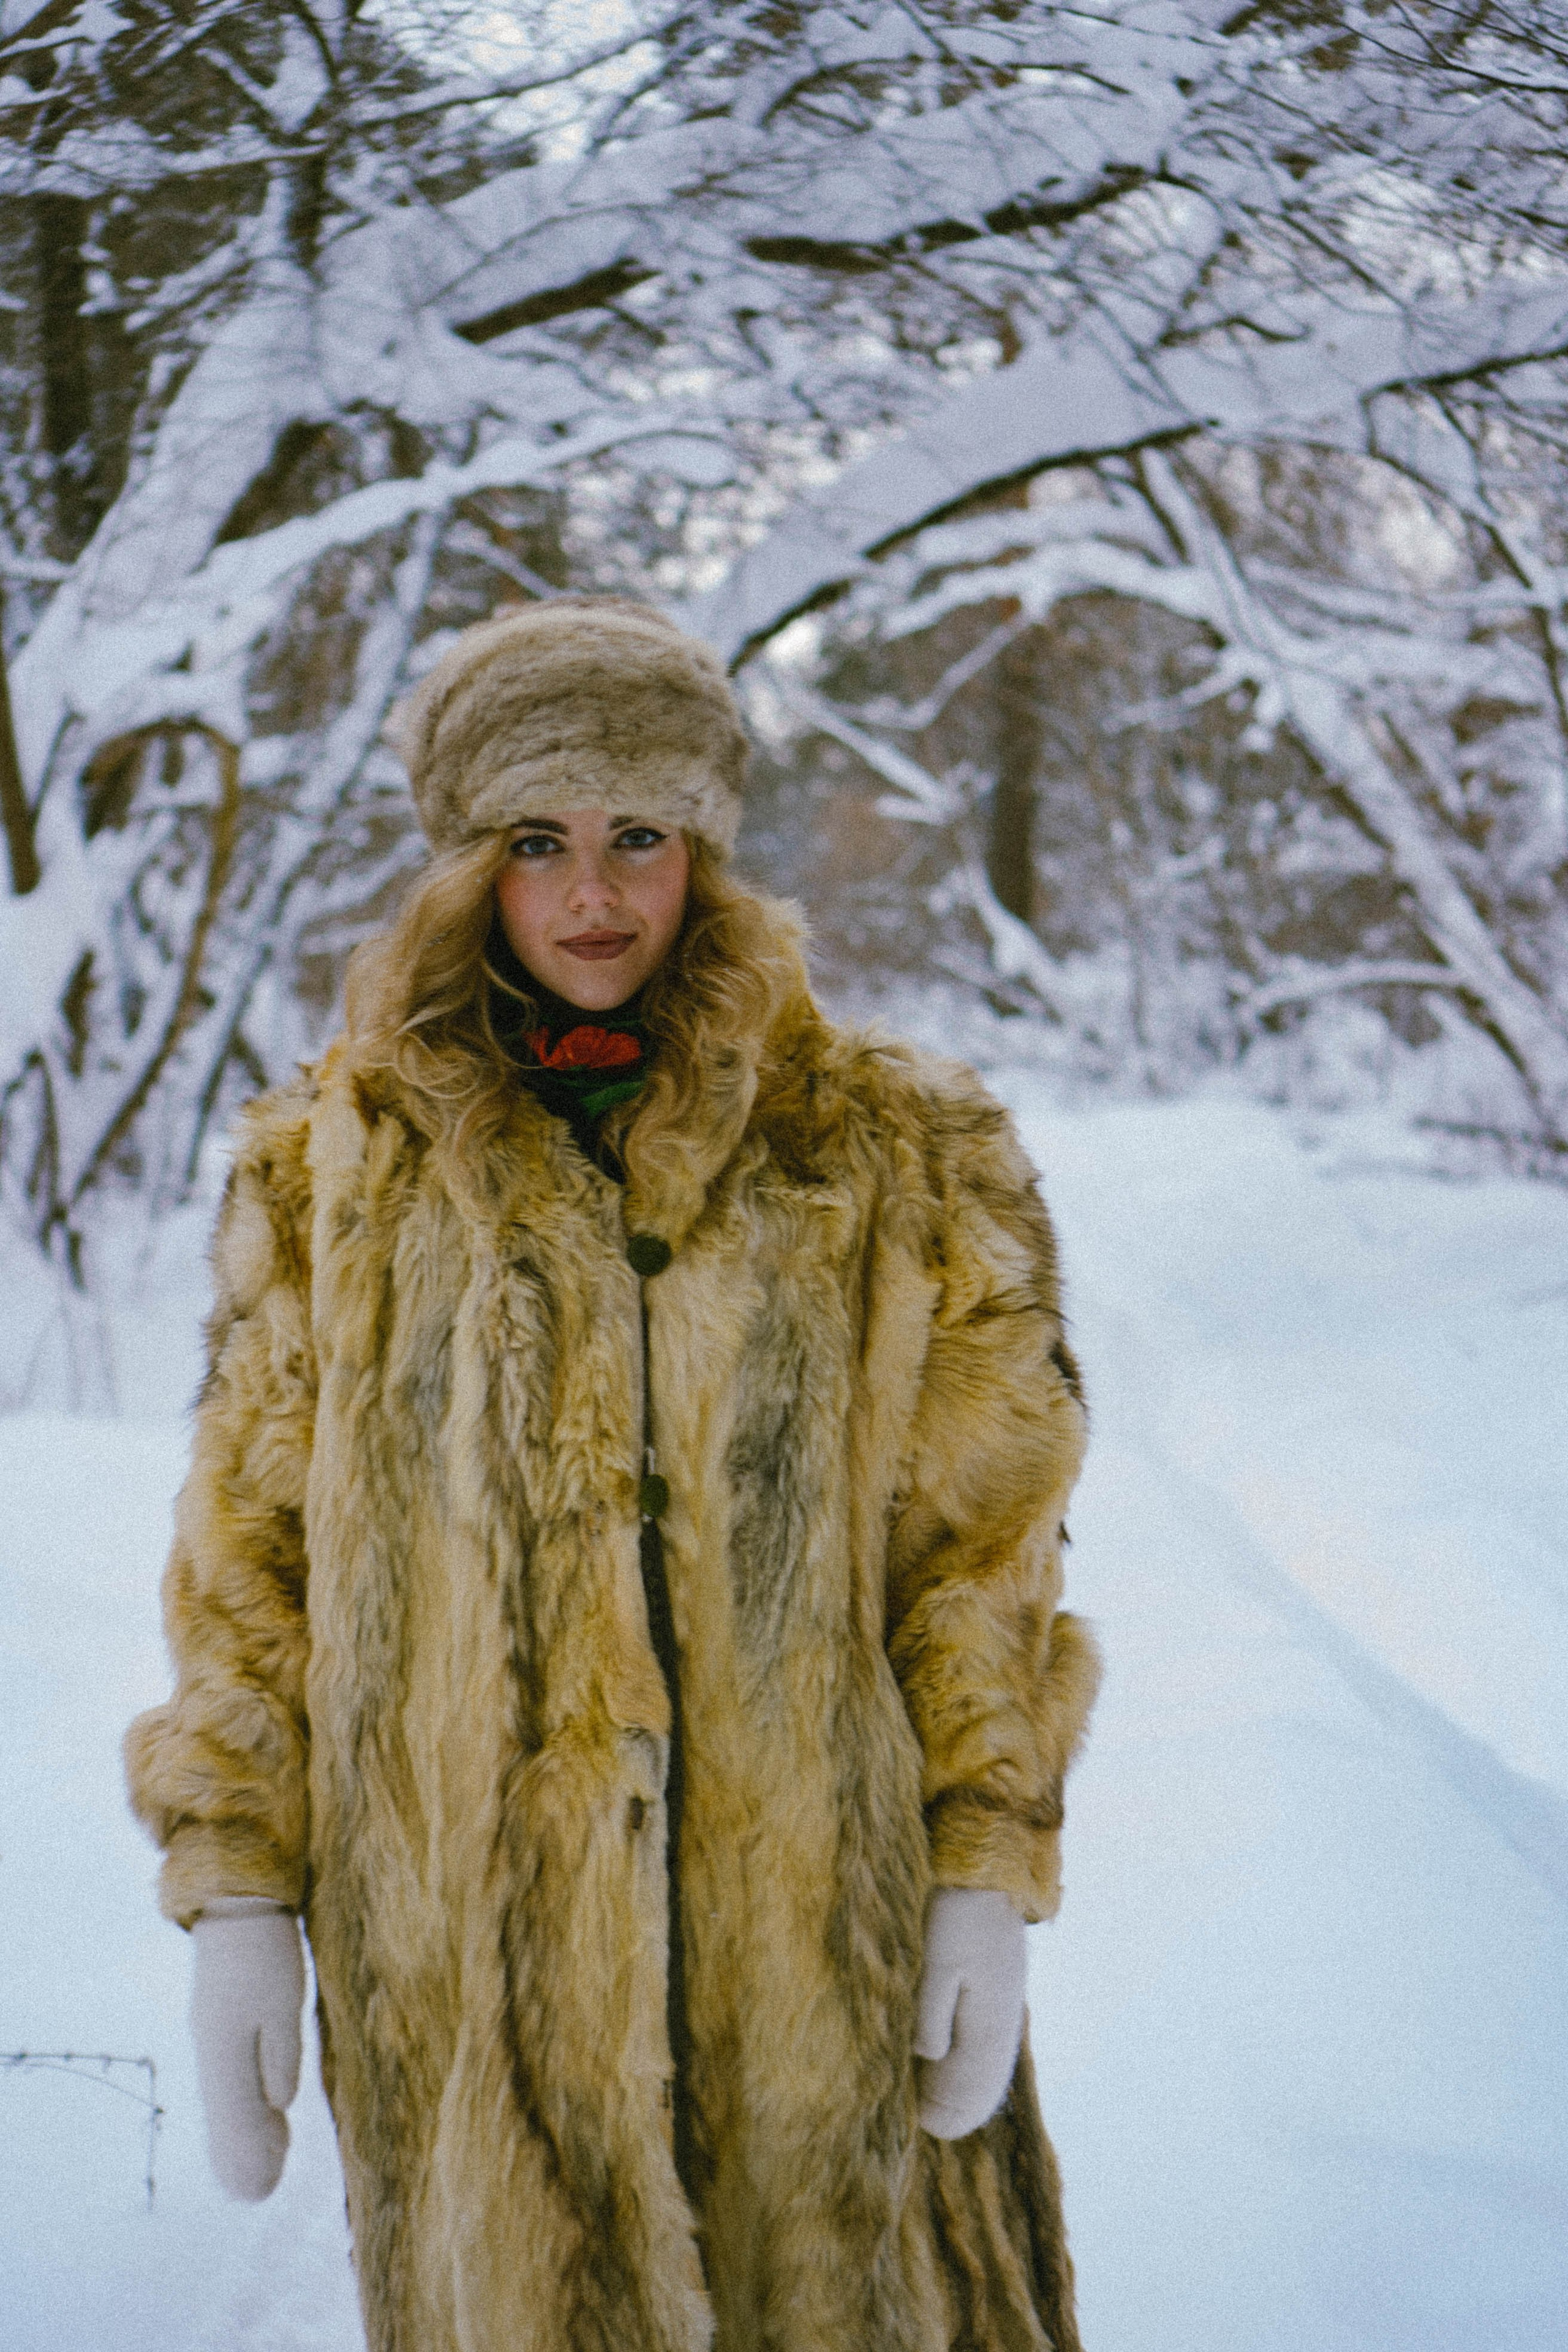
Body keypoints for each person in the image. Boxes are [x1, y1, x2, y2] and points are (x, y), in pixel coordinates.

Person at [124, 597, 1100, 2352]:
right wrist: (242, 1885)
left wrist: (981, 1858)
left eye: (639, 838)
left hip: (823, 1970)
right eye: (541, 844)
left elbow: (982, 1547)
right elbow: (250, 1556)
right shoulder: (328, 1176)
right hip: (481, 1995)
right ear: (469, 867)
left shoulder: (899, 1152)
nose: (596, 895)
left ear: (703, 851)